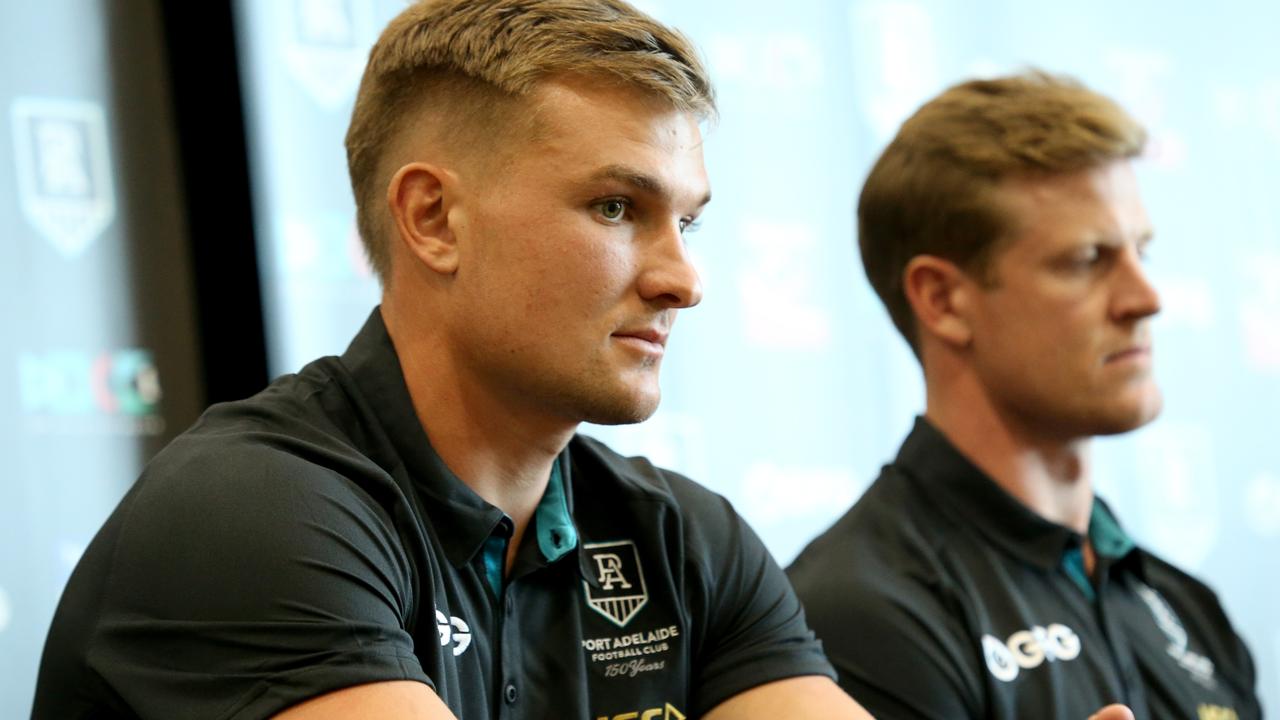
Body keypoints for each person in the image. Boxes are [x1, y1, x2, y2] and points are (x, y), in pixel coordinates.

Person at [32, 1, 871, 718]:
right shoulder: (253, 512)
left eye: (686, 223)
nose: (682, 280)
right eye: (616, 207)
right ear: (433, 219)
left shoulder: (685, 541)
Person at [787, 71, 1263, 719]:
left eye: (1141, 252)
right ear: (944, 299)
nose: (1145, 298)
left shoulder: (1183, 603)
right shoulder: (854, 613)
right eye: (1088, 259)